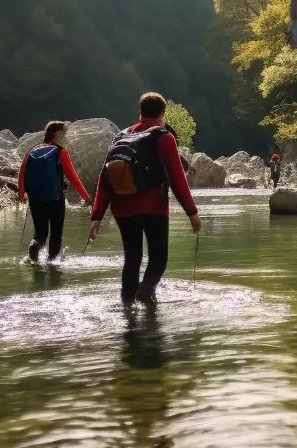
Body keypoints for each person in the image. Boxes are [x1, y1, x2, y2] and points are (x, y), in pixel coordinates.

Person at [89, 92, 201, 306]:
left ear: (140, 111)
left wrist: (97, 216)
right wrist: (192, 212)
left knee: (132, 259)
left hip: (122, 207)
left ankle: (127, 308)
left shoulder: (121, 136)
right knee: (158, 258)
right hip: (154, 208)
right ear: (162, 113)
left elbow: (105, 178)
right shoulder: (163, 137)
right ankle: (146, 291)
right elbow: (176, 177)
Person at [17, 120, 93, 263]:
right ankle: (53, 264)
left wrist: (22, 192)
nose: (66, 136)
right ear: (57, 133)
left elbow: (22, 172)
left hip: (35, 198)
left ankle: (34, 249)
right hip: (55, 198)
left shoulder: (32, 150)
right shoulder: (60, 151)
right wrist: (87, 197)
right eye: (64, 132)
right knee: (56, 234)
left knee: (39, 233)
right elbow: (72, 177)